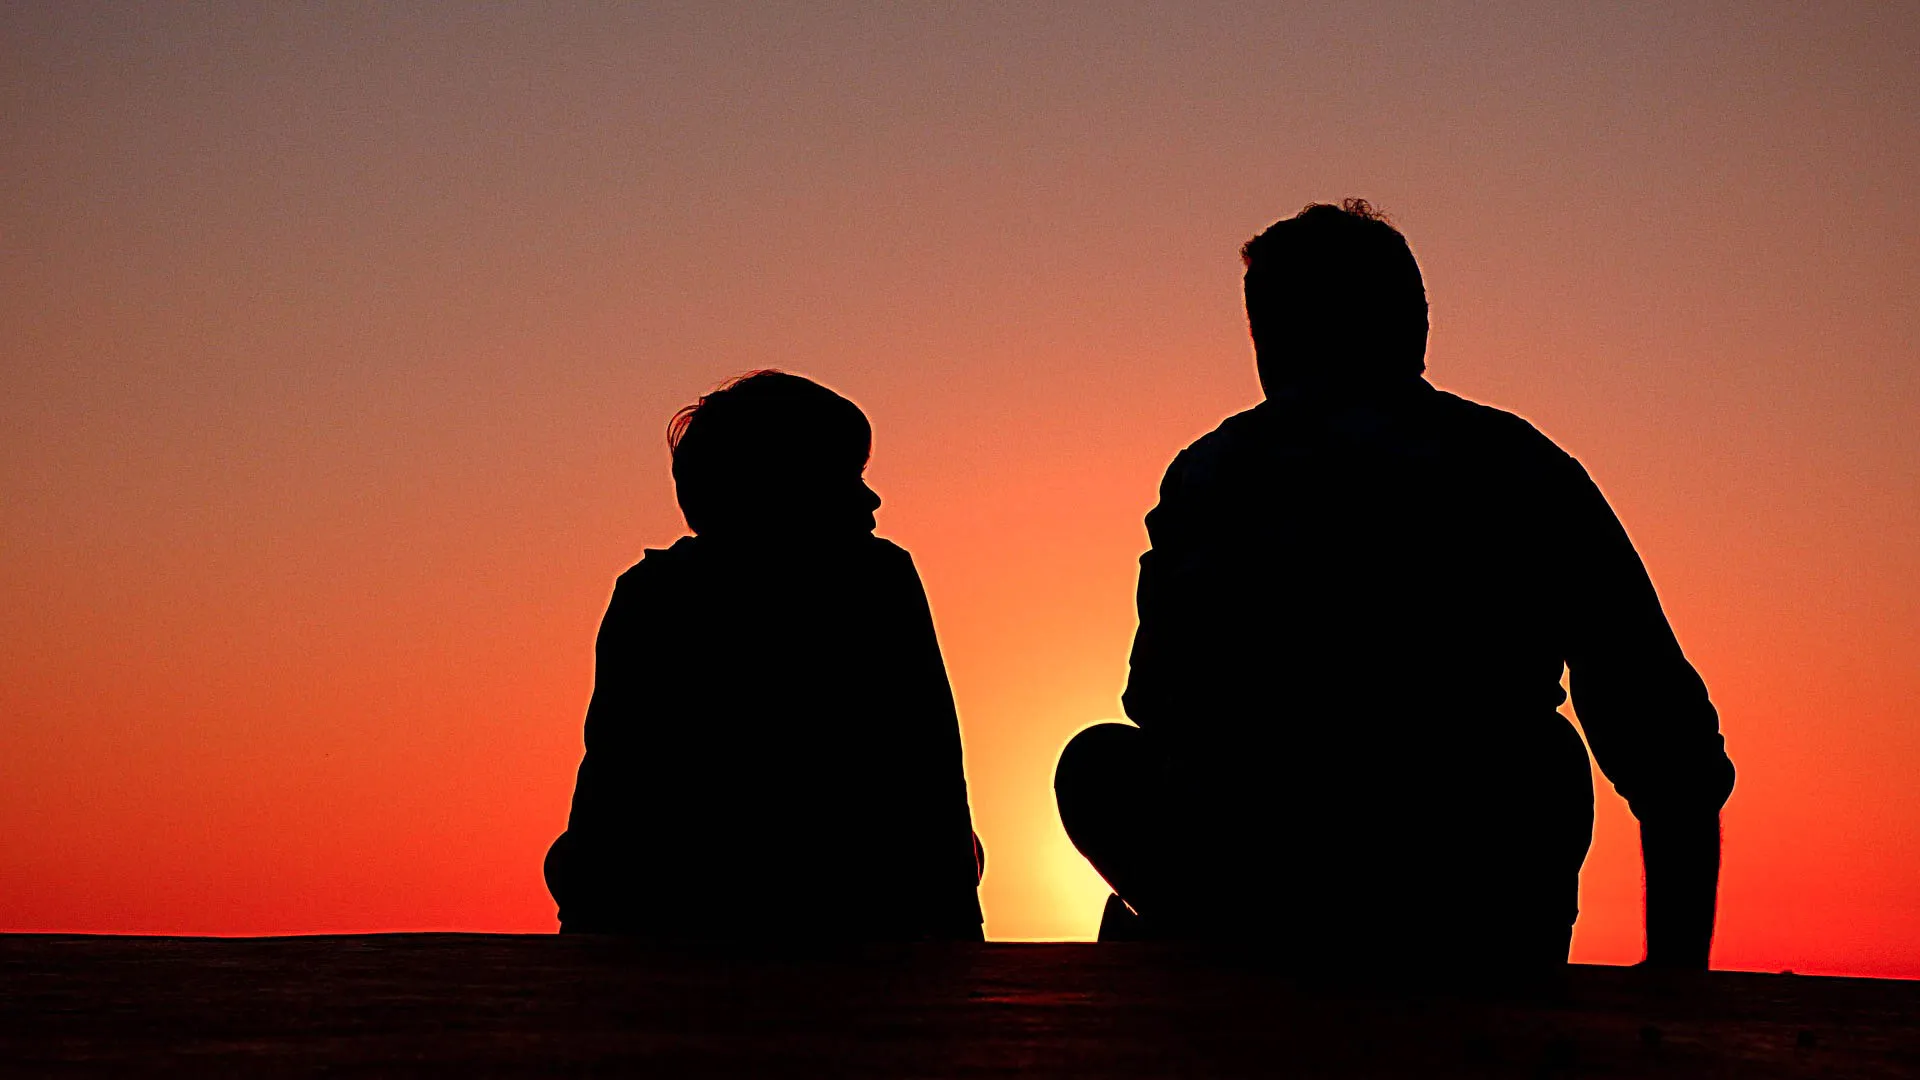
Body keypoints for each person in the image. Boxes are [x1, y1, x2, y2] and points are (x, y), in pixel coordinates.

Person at [1054, 200, 1735, 968]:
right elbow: (1666, 739)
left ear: (1270, 340)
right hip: (1473, 892)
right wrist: (1678, 977)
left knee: (1100, 765)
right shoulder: (1521, 467)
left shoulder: (1212, 476)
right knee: (1544, 756)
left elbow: (1155, 698)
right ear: (1417, 327)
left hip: (1283, 895)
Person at [547, 371, 984, 939]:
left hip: (679, 901)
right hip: (846, 900)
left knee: (571, 856)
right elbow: (932, 778)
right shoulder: (878, 581)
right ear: (786, 488)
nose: (871, 498)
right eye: (847, 476)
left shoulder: (651, 593)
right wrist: (959, 943)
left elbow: (610, 784)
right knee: (965, 852)